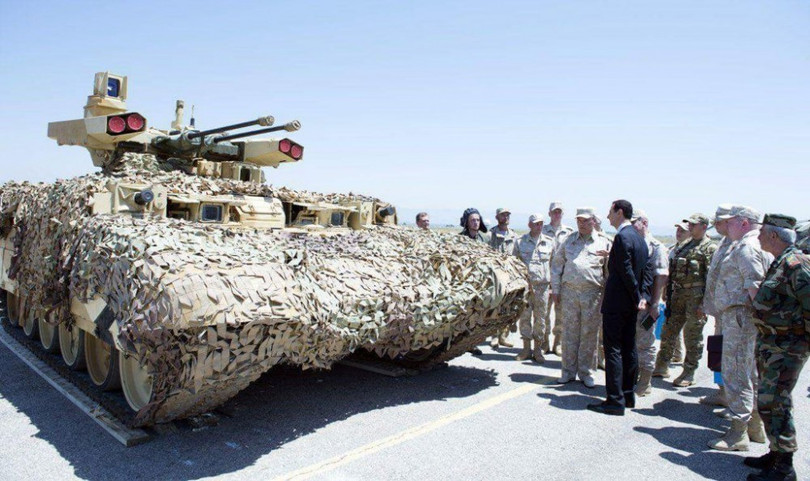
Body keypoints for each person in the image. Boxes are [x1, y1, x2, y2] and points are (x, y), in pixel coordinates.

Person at [747, 214, 809, 481]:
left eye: (762, 232)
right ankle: (775, 453)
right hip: (772, 344)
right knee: (767, 401)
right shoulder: (780, 262)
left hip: (788, 347)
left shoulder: (797, 264)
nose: (758, 236)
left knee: (777, 402)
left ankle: (785, 468)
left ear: (774, 235)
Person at [708, 206, 772, 451]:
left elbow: (755, 286)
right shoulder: (757, 243)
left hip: (740, 315)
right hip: (743, 316)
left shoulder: (746, 247)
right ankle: (755, 427)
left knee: (736, 373)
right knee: (749, 373)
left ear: (744, 223)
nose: (726, 226)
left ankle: (737, 434)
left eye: (730, 222)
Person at [587, 200, 649, 416]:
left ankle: (614, 400)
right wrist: (643, 296)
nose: (607, 216)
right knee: (629, 347)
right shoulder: (639, 238)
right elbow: (645, 270)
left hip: (618, 303)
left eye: (610, 212)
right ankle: (628, 394)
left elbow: (625, 271)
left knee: (613, 349)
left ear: (619, 212)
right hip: (631, 304)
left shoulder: (623, 237)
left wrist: (637, 295)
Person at [653, 213, 717, 386]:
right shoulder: (684, 246)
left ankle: (689, 371)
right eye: (690, 224)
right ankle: (662, 365)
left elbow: (711, 278)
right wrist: (667, 291)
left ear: (704, 227)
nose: (690, 227)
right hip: (678, 295)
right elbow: (673, 270)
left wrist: (705, 304)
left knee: (692, 336)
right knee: (668, 331)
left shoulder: (709, 248)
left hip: (696, 298)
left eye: (694, 225)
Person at [551, 207, 611, 387]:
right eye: (579, 221)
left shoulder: (604, 242)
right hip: (569, 293)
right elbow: (556, 266)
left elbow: (608, 272)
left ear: (593, 221)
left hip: (593, 294)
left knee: (589, 334)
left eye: (586, 221)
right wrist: (555, 290)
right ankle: (568, 372)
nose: (582, 224)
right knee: (569, 333)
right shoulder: (568, 240)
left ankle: (586, 373)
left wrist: (606, 296)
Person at [699, 204, 736, 407]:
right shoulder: (724, 242)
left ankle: (736, 402)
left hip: (734, 314)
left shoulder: (739, 245)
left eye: (718, 221)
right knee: (718, 352)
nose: (716, 225)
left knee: (733, 359)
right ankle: (723, 392)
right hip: (721, 312)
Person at [630, 210, 669, 397]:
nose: (631, 226)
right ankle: (633, 376)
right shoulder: (632, 243)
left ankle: (645, 381)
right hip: (633, 303)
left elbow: (660, 277)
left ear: (644, 222)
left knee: (646, 342)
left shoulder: (656, 246)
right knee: (632, 342)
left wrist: (655, 303)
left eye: (634, 222)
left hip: (648, 304)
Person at [513, 214, 555, 363]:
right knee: (524, 317)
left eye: (541, 223)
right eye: (536, 224)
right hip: (525, 287)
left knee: (540, 319)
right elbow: (514, 264)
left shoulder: (549, 242)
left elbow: (553, 266)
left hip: (543, 288)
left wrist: (552, 287)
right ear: (529, 225)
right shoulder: (520, 242)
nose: (539, 226)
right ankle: (525, 349)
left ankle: (538, 350)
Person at [459, 207, 487, 355]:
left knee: (479, 314)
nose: (476, 223)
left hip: (481, 282)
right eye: (472, 220)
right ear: (466, 222)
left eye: (477, 220)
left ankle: (473, 342)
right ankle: (463, 342)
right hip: (466, 282)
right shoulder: (460, 239)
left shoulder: (485, 239)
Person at [489, 207, 518, 348]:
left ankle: (503, 336)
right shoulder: (491, 234)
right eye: (503, 215)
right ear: (497, 217)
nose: (505, 217)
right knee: (495, 305)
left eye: (507, 214)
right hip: (495, 275)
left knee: (508, 306)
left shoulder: (514, 235)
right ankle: (494, 335)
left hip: (510, 275)